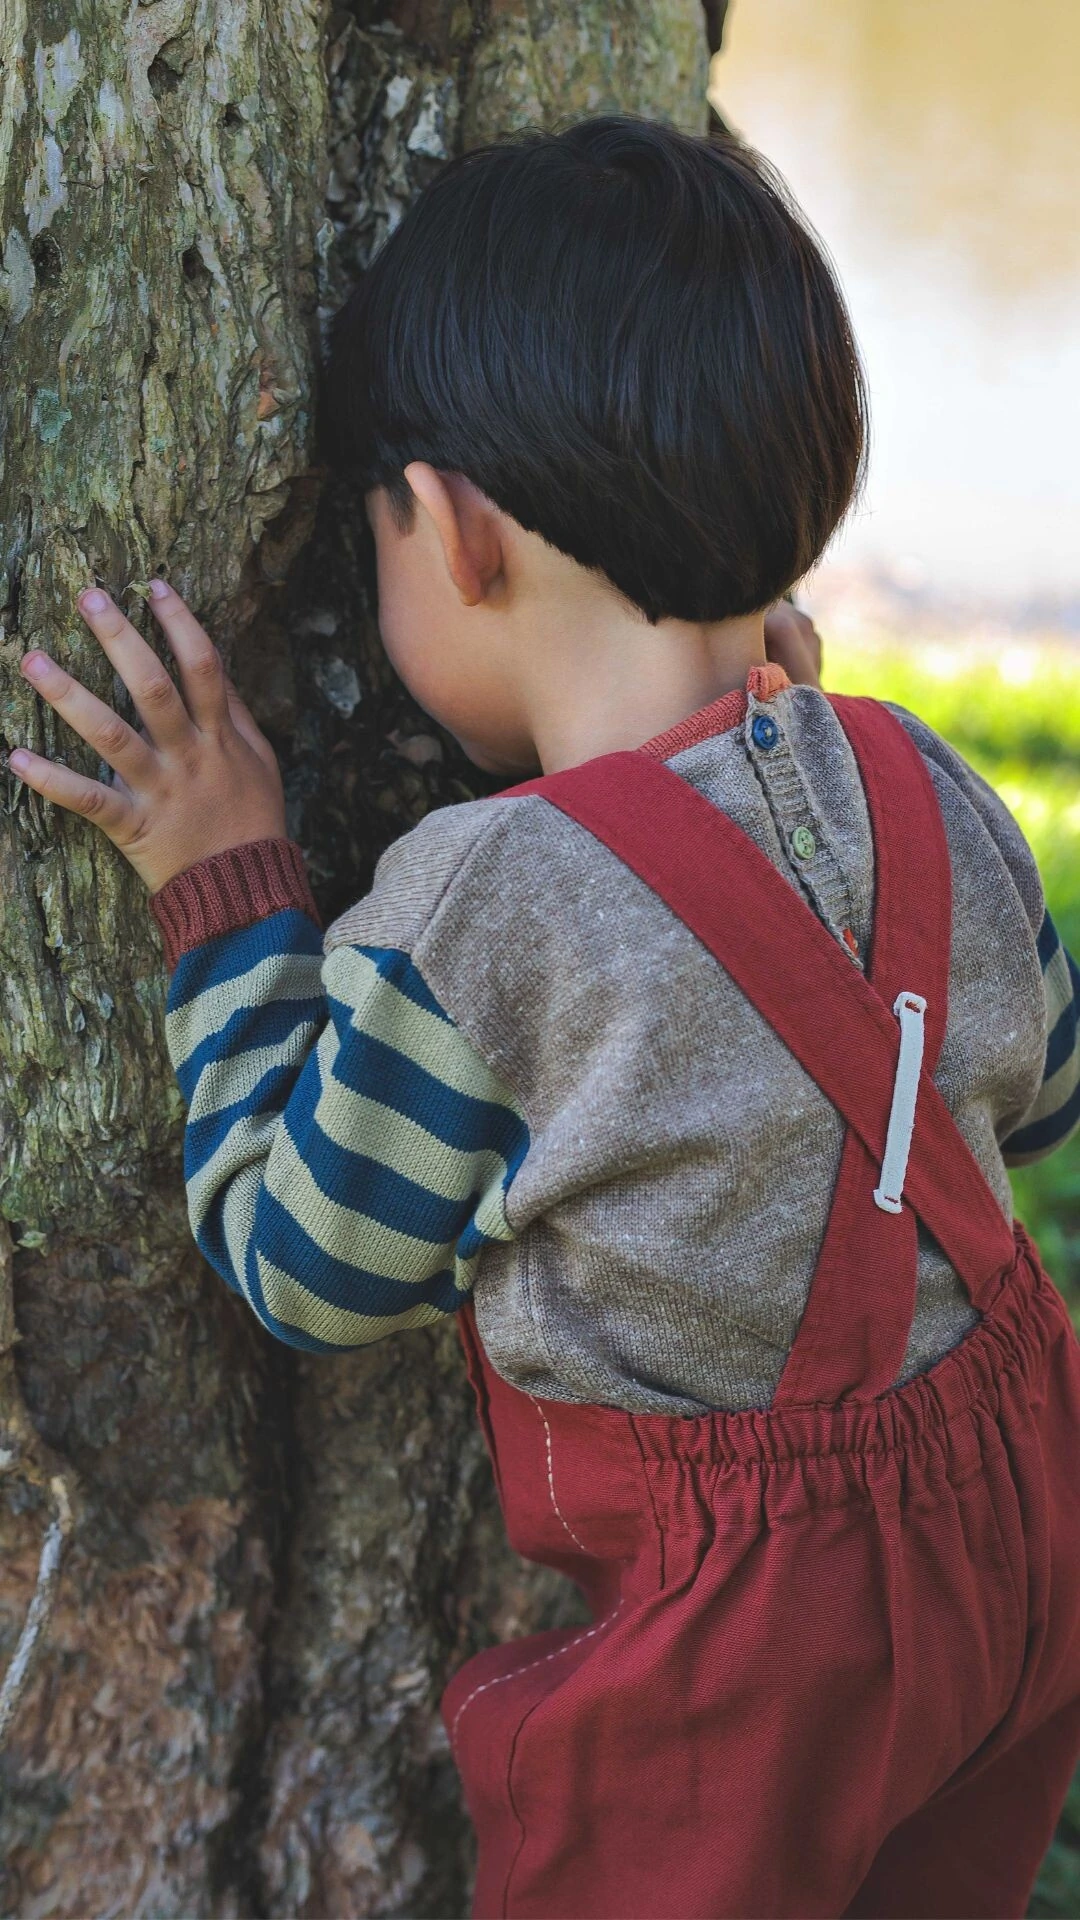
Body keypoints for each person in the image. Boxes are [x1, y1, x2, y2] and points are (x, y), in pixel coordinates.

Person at [9, 114, 1080, 1920]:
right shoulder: (928, 780)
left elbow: (308, 1266)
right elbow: (1038, 1094)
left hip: (749, 1658)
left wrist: (224, 878)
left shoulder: (488, 902)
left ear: (453, 527)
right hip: (1023, 1521)